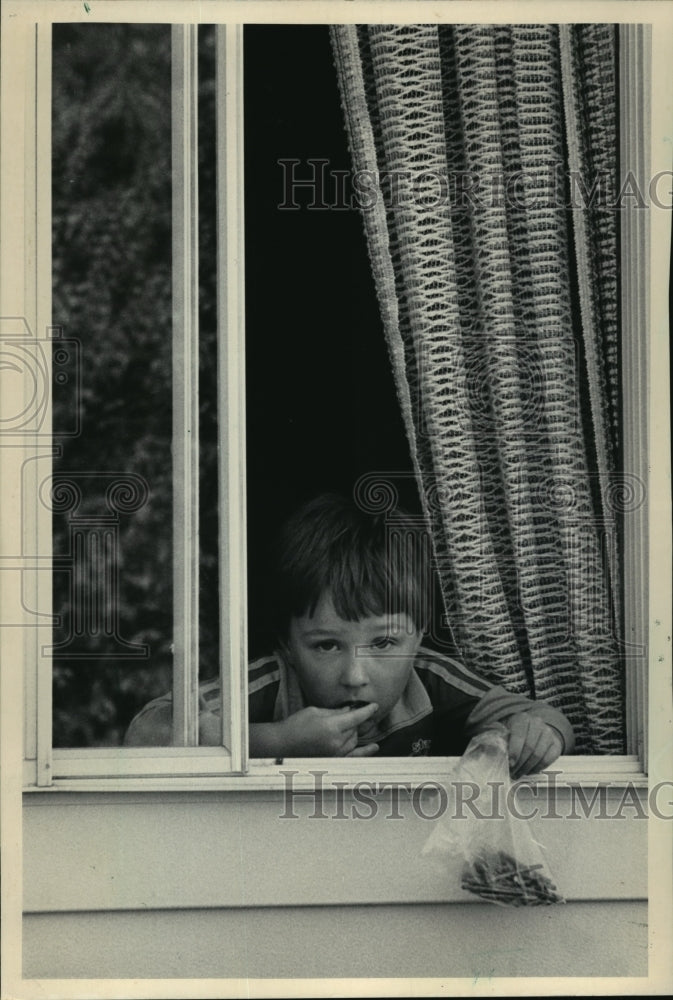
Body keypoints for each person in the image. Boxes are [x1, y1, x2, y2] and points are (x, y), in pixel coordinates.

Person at [125, 493, 574, 776]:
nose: (355, 675)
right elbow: (147, 731)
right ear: (286, 643)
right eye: (326, 645)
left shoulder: (430, 679)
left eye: (383, 643)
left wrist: (533, 736)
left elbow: (538, 718)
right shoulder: (271, 683)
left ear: (417, 636)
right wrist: (277, 742)